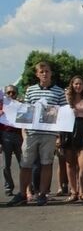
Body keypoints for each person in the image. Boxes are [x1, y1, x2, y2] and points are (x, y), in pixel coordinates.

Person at [8, 61, 67, 206]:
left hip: (49, 134)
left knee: (46, 163)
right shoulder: (31, 90)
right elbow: (26, 110)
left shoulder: (59, 92)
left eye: (47, 71)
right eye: (42, 72)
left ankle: (42, 194)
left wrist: (59, 135)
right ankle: (22, 193)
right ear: (37, 74)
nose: (44, 74)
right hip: (32, 133)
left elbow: (64, 114)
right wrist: (24, 132)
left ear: (51, 73)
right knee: (26, 163)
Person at [61, 76, 83, 202]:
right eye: (75, 84)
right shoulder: (66, 98)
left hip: (82, 129)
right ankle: (73, 191)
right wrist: (59, 136)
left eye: (80, 84)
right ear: (72, 85)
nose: (78, 86)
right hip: (68, 129)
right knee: (70, 163)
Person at [1, 85, 23, 196]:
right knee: (6, 165)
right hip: (5, 136)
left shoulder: (21, 105)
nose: (11, 95)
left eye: (13, 93)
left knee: (23, 163)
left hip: (19, 136)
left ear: (16, 94)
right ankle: (9, 187)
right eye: (8, 93)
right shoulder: (2, 106)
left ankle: (28, 186)